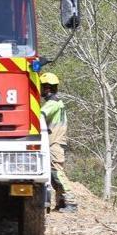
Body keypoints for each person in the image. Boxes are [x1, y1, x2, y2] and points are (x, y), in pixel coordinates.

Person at [40, 73, 78, 213]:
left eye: (41, 87)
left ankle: (71, 202)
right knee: (53, 174)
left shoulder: (52, 104)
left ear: (47, 88)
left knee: (57, 173)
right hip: (56, 142)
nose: (40, 90)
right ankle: (61, 202)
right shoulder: (58, 102)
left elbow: (39, 116)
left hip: (54, 143)